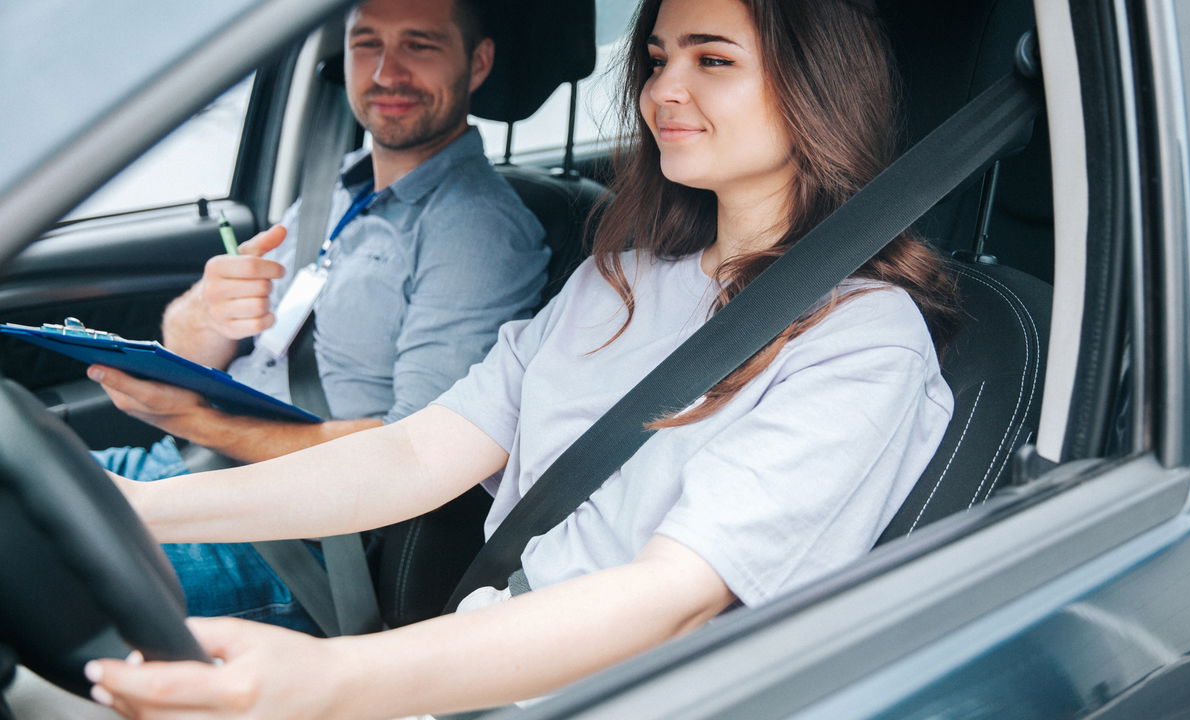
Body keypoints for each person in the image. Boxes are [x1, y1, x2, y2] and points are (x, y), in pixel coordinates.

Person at [87, 0, 959, 716]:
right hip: (480, 665)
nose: (663, 91)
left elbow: (676, 596)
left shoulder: (863, 340)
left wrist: (331, 682)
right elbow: (415, 452)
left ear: (816, 89)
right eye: (656, 58)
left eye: (712, 60)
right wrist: (136, 510)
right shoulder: (616, 280)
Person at [85, 0, 548, 632]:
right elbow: (193, 356)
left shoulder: (476, 230)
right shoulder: (338, 189)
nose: (385, 72)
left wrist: (204, 424)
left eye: (420, 45)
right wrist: (211, 309)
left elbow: (410, 451)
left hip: (300, 540)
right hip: (190, 471)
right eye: (366, 44)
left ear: (478, 62)